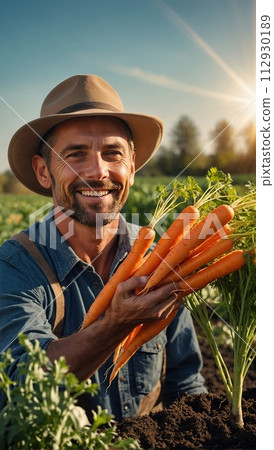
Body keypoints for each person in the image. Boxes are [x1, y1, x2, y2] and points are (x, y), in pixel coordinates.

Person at [0, 74, 207, 422]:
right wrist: (116, 325)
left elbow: (186, 384)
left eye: (113, 153)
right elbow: (23, 385)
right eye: (76, 154)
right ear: (43, 172)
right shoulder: (14, 267)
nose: (98, 172)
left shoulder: (162, 260)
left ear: (132, 167)